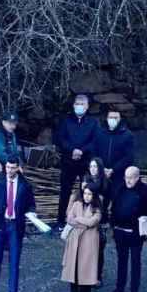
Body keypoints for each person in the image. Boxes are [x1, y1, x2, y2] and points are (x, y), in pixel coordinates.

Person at [0, 155, 36, 292]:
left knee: (14, 264)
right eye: (7, 167)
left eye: (13, 167)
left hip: (15, 226)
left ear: (18, 168)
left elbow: (31, 204)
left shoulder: (25, 185)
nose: (10, 170)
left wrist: (32, 213)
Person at [106, 166, 147, 292]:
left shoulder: (146, 191)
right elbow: (114, 207)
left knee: (135, 262)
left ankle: (134, 291)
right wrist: (113, 225)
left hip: (136, 233)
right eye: (126, 177)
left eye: (130, 178)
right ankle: (119, 289)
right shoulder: (120, 188)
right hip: (120, 231)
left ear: (137, 177)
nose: (127, 180)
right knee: (121, 261)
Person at [53, 94, 99, 229]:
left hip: (85, 162)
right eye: (77, 103)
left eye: (82, 104)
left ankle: (85, 219)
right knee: (65, 191)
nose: (80, 106)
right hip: (68, 161)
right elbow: (60, 139)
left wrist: (81, 151)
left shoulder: (93, 122)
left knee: (86, 190)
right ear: (73, 105)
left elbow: (95, 141)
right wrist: (72, 150)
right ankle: (61, 221)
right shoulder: (65, 121)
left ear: (87, 106)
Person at [61, 186, 102, 292]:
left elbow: (92, 222)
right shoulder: (77, 204)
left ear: (93, 195)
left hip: (88, 243)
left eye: (90, 194)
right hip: (74, 241)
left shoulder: (97, 209)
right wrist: (83, 222)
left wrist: (77, 220)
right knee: (73, 270)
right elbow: (69, 219)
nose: (87, 196)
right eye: (85, 193)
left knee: (86, 271)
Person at [82, 157, 111, 286]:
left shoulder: (105, 182)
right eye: (91, 166)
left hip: (101, 220)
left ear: (100, 168)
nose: (93, 169)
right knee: (86, 249)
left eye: (95, 166)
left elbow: (99, 191)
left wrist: (86, 186)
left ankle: (97, 276)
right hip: (86, 219)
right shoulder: (85, 179)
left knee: (99, 250)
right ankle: (86, 274)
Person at [97, 109, 135, 202]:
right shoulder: (100, 133)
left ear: (120, 119)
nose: (112, 120)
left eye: (115, 117)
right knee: (100, 202)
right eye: (110, 117)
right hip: (101, 173)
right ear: (106, 118)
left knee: (117, 201)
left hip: (119, 175)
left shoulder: (127, 135)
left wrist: (113, 169)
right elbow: (95, 152)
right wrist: (102, 168)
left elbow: (129, 157)